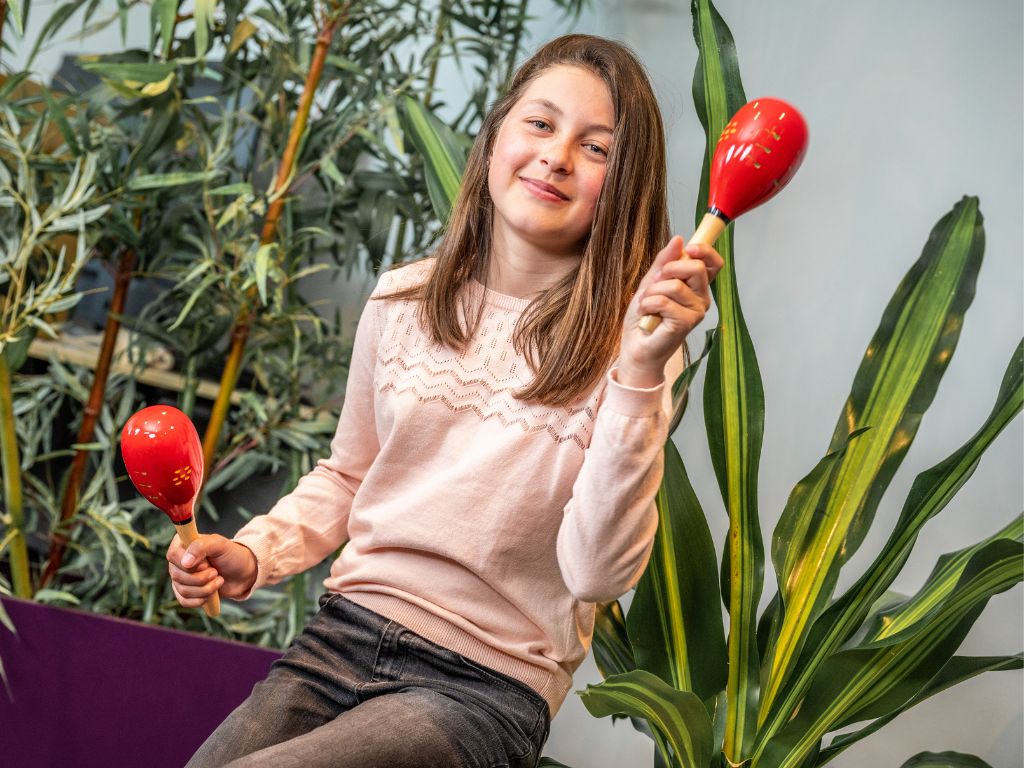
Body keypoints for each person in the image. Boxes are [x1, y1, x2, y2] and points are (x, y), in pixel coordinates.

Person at [168, 33, 723, 768]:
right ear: (495, 137)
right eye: (540, 123)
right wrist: (253, 553)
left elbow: (596, 573)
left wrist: (639, 372)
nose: (557, 155)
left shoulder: (631, 349)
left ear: (624, 189)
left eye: (597, 149)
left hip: (482, 690)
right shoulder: (403, 299)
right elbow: (349, 474)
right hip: (341, 638)